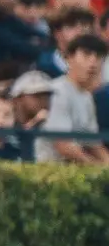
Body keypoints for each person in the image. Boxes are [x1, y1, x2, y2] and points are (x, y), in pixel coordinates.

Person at [36, 32, 108, 165]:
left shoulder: (87, 97)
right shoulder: (57, 91)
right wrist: (96, 167)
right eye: (86, 55)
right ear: (69, 58)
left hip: (75, 169)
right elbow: (63, 144)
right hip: (50, 168)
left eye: (98, 56)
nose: (93, 62)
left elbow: (93, 143)